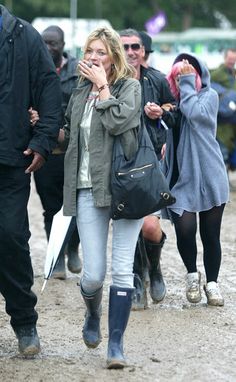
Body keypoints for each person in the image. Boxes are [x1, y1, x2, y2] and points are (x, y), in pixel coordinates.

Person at [63, 27, 143, 369]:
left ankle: (116, 346)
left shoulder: (130, 87)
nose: (94, 57)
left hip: (127, 189)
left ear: (114, 57)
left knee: (122, 271)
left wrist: (103, 87)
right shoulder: (78, 93)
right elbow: (71, 138)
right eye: (90, 52)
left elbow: (120, 122)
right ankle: (93, 311)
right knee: (94, 275)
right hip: (88, 189)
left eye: (101, 52)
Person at [0, 5, 61, 356]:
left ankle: (24, 320)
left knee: (9, 235)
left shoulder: (24, 36)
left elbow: (48, 88)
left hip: (10, 160)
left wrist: (43, 140)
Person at [163, 53, 229, 306]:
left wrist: (188, 83)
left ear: (198, 75)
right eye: (179, 76)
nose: (184, 79)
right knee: (185, 231)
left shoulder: (209, 97)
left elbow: (196, 115)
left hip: (211, 177)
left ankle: (212, 283)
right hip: (182, 180)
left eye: (189, 74)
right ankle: (192, 273)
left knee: (210, 235)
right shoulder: (173, 104)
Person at [119, 28, 175, 309]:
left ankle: (154, 269)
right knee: (129, 226)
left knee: (150, 226)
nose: (130, 52)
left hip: (151, 160)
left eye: (135, 47)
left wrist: (162, 111)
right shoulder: (108, 79)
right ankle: (136, 279)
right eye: (125, 47)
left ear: (143, 51)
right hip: (118, 164)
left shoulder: (156, 79)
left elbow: (174, 109)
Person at [33, 25, 81, 280]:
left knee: (76, 206)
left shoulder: (77, 70)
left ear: (63, 45)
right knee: (50, 207)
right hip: (47, 149)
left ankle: (73, 247)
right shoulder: (35, 69)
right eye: (45, 42)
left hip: (73, 149)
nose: (49, 47)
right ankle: (58, 256)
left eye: (54, 43)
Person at [210, 48, 236, 188]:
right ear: (225, 58)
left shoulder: (233, 74)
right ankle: (222, 181)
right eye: (230, 59)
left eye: (234, 60)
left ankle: (225, 179)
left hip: (233, 121)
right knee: (222, 152)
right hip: (221, 121)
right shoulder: (216, 74)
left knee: (230, 151)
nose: (232, 62)